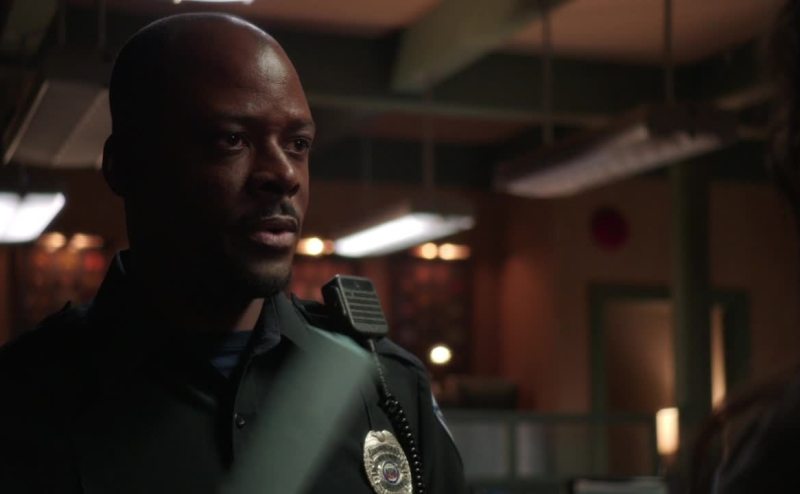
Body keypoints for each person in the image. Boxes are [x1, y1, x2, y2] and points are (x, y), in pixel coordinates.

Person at [0, 13, 467, 493]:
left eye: (298, 144)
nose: (284, 174)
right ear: (126, 166)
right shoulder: (21, 401)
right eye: (232, 140)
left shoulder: (386, 385)